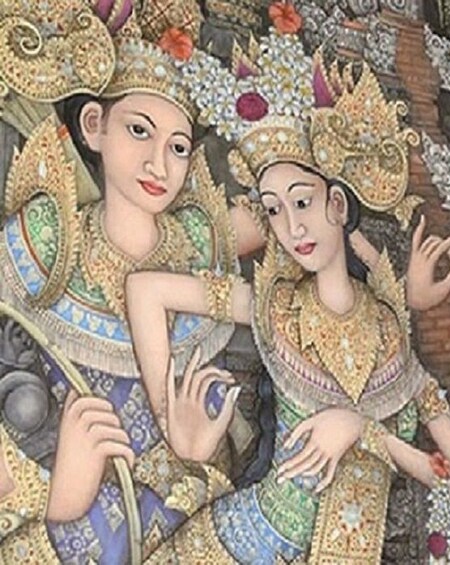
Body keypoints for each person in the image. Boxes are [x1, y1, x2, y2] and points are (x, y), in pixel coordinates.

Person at [124, 25, 450, 563]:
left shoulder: (392, 337)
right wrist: (173, 425)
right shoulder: (276, 308)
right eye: (274, 210)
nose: (291, 227)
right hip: (244, 542)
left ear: (338, 206)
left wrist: (361, 430)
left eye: (301, 202)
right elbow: (145, 289)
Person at [0, 2, 243, 561]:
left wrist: (200, 451)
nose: (159, 164)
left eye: (178, 147)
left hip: (184, 523)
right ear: (94, 126)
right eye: (138, 131)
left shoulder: (199, 244)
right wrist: (60, 498)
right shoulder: (45, 240)